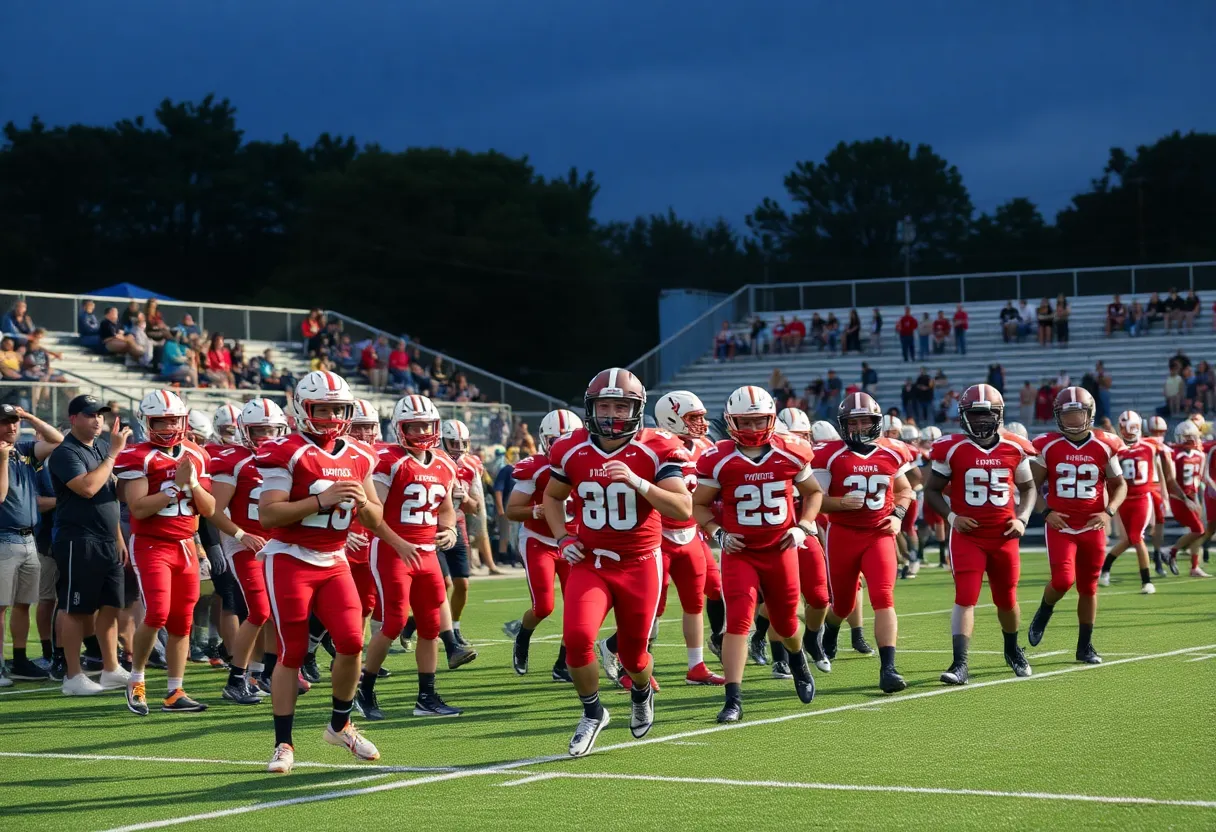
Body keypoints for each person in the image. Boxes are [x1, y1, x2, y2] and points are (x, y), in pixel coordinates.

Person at [541, 367, 692, 757]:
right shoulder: (570, 448)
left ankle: (641, 692)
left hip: (641, 562)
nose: (611, 415)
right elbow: (552, 498)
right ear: (590, 407)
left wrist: (639, 483)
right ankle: (593, 712)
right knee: (576, 640)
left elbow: (682, 506)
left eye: (620, 406)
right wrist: (563, 536)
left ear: (636, 409)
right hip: (590, 562)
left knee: (634, 655)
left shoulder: (657, 446)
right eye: (604, 405)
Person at [254, 370, 385, 774]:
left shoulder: (360, 455)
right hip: (289, 557)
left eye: (337, 408)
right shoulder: (286, 451)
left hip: (333, 559)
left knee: (351, 643)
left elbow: (375, 514)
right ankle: (283, 743)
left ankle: (340, 724)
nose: (330, 416)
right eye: (321, 408)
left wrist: (365, 506)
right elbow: (269, 514)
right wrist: (320, 500)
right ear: (302, 409)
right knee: (292, 651)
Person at [694, 386, 820, 723]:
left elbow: (814, 492)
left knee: (786, 621)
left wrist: (804, 525)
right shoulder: (718, 458)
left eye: (759, 421)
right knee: (737, 621)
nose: (752, 429)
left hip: (781, 549)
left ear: (772, 417)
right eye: (745, 422)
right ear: (732, 421)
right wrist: (717, 532)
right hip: (741, 552)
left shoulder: (792, 451)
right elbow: (699, 504)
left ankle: (797, 659)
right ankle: (733, 698)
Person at [357, 394, 465, 722]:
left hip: (428, 552)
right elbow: (371, 514)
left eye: (426, 425)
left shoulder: (444, 462)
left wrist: (450, 532)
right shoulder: (389, 460)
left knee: (431, 626)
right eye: (413, 425)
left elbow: (446, 509)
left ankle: (426, 696)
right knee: (392, 623)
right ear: (399, 428)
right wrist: (398, 542)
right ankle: (364, 690)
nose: (420, 431)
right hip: (391, 550)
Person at [923, 385, 1037, 685]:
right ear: (963, 416)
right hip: (968, 535)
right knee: (965, 597)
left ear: (999, 415)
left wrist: (1023, 519)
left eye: (988, 415)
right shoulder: (951, 448)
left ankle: (1012, 650)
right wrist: (952, 516)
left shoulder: (1015, 447)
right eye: (975, 414)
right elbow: (932, 490)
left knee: (1007, 600)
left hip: (1004, 534)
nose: (982, 421)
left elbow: (1028, 488)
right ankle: (960, 663)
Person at [812, 392, 914, 693]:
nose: (858, 427)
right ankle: (830, 629)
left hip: (879, 533)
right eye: (852, 422)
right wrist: (841, 503)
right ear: (843, 425)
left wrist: (897, 515)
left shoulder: (893, 451)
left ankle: (889, 668)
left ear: (876, 422)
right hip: (843, 534)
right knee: (842, 603)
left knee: (883, 596)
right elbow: (815, 500)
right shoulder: (828, 454)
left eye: (864, 421)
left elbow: (906, 490)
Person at [630, 392, 726, 688]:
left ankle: (696, 665)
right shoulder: (649, 447)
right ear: (671, 418)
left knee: (694, 603)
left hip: (691, 534)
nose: (701, 423)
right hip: (657, 535)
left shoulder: (707, 448)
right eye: (693, 418)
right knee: (651, 606)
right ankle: (633, 663)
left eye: (700, 416)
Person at [1027, 387, 1126, 664]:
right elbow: (1030, 486)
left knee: (1089, 588)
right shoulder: (1047, 445)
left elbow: (1119, 485)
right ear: (1058, 416)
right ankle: (1045, 609)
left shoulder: (1105, 444)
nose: (1073, 421)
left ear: (1089, 413)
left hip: (1093, 525)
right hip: (1061, 525)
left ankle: (1085, 646)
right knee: (1062, 580)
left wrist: (1109, 512)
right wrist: (1045, 512)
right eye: (1067, 415)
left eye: (1078, 414)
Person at [47, 396, 132, 695]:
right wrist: (113, 456)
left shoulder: (100, 448)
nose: (98, 420)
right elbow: (87, 488)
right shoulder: (64, 452)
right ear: (73, 418)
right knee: (75, 608)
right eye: (89, 414)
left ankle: (110, 668)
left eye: (100, 415)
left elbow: (112, 495)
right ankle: (73, 676)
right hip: (78, 541)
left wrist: (119, 537)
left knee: (111, 605)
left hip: (108, 540)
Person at [208, 399, 282, 705]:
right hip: (242, 542)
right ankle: (235, 679)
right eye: (259, 429)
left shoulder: (286, 457)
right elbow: (212, 509)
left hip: (277, 541)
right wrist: (241, 534)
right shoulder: (234, 459)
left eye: (271, 429)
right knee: (260, 610)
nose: (265, 435)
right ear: (244, 430)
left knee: (279, 612)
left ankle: (262, 673)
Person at [503, 409, 583, 678]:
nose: (560, 446)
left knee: (578, 607)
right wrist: (534, 510)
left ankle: (562, 664)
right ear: (544, 440)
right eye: (555, 440)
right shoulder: (536, 468)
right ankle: (523, 637)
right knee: (544, 606)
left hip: (572, 542)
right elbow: (512, 510)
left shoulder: (587, 463)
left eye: (566, 439)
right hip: (538, 540)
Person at [0, 404, 63, 684]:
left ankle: (21, 659)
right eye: (5, 422)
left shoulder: (23, 450)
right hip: (3, 537)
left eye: (14, 421)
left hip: (28, 538)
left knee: (24, 603)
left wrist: (29, 416)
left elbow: (56, 440)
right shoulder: (6, 455)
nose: (11, 426)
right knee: (1, 607)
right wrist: (2, 459)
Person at [1100, 411, 1181, 593]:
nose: (1128, 432)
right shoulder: (1116, 447)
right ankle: (1105, 568)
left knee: (1136, 537)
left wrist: (1169, 482)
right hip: (1123, 500)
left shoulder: (1150, 444)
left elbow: (1169, 454)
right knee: (1129, 539)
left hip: (1142, 499)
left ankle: (1146, 581)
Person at [1163, 422, 1210, 578]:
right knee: (1199, 530)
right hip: (1178, 498)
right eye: (1188, 436)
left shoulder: (1200, 455)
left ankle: (1194, 567)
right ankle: (1171, 551)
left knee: (1199, 532)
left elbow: (1197, 480)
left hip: (1192, 496)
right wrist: (1185, 498)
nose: (1191, 439)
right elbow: (1172, 480)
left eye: (1193, 436)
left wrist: (1195, 499)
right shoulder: (1174, 454)